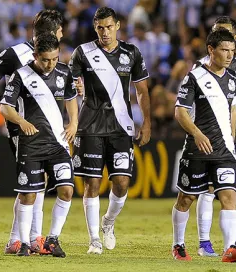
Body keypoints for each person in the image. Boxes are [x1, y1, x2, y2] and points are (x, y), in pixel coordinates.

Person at [0, 9, 83, 254]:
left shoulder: (56, 60)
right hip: (21, 126)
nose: (62, 34)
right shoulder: (17, 53)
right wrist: (11, 104)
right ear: (49, 32)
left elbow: (65, 92)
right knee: (33, 182)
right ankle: (26, 238)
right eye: (59, 30)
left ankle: (28, 238)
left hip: (49, 129)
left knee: (39, 181)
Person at [69, 6, 151, 254]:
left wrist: (146, 122)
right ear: (95, 28)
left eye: (108, 26)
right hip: (90, 124)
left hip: (120, 126)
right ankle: (94, 239)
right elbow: (69, 85)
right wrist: (76, 89)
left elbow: (142, 90)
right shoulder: (82, 52)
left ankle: (109, 223)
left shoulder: (132, 53)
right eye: (100, 28)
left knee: (122, 183)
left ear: (117, 25)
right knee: (92, 183)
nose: (105, 32)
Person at [171, 28, 236, 263]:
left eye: (232, 51)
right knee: (186, 199)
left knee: (229, 197)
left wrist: (234, 139)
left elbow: (233, 109)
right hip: (198, 149)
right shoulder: (194, 77)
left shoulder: (233, 79)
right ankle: (178, 244)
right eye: (225, 50)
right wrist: (196, 134)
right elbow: (180, 112)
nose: (229, 56)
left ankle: (229, 249)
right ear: (211, 50)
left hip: (224, 151)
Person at [0, 33, 78, 258]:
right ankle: (24, 242)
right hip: (31, 145)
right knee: (29, 195)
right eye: (45, 59)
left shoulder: (64, 72)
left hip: (58, 144)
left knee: (67, 190)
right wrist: (21, 121)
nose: (51, 64)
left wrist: (73, 122)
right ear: (35, 55)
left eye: (54, 58)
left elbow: (71, 98)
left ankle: (52, 239)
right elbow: (5, 107)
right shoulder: (21, 75)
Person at [193, 16, 236, 257]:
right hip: (212, 133)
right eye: (217, 33)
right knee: (209, 187)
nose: (222, 38)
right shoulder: (199, 67)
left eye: (227, 35)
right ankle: (204, 241)